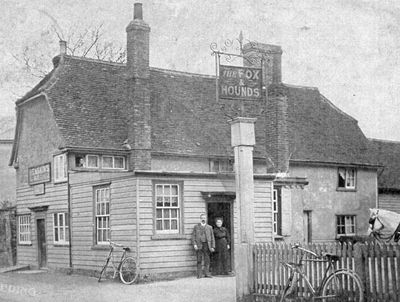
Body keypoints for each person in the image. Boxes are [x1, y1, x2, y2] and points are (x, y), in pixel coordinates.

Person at [191, 213, 215, 278]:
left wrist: (213, 246)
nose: (203, 219)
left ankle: (207, 273)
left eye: (204, 218)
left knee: (207, 260)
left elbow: (212, 237)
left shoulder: (209, 227)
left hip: (207, 245)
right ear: (200, 219)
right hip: (199, 245)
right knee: (199, 260)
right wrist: (194, 244)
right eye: (202, 218)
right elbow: (193, 236)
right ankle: (199, 274)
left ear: (206, 219)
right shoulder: (196, 227)